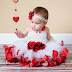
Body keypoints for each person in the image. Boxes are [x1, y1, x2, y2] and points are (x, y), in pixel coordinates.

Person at [3, 6, 68, 67]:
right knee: (29, 55)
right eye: (32, 22)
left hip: (42, 48)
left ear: (45, 23)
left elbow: (49, 38)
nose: (33, 25)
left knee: (47, 55)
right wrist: (19, 35)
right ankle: (31, 61)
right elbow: (23, 35)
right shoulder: (29, 28)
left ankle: (42, 61)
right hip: (30, 48)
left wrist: (55, 44)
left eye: (37, 23)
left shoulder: (46, 29)